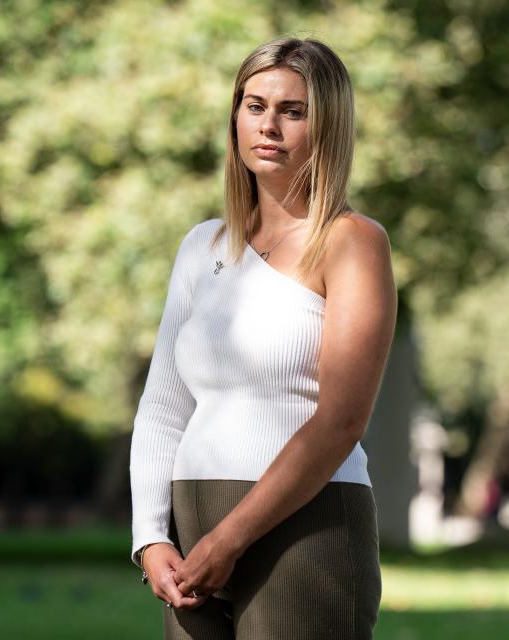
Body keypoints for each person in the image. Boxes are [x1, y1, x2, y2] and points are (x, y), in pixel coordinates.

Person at [129, 36, 397, 639]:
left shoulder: (353, 242)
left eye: (293, 111)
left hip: (307, 528)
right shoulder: (202, 245)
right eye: (254, 106)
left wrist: (230, 538)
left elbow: (341, 422)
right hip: (193, 534)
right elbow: (162, 406)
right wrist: (150, 537)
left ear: (328, 125)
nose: (268, 125)